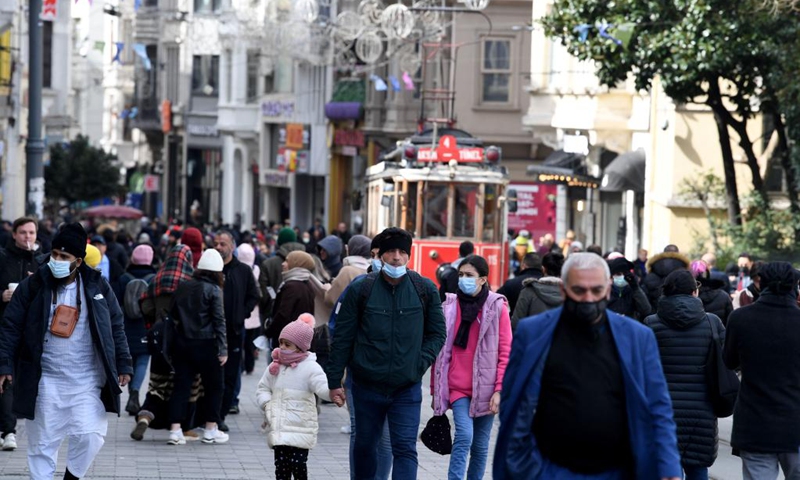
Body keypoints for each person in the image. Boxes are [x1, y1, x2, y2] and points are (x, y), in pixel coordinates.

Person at [493, 252, 681, 480]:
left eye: (597, 290)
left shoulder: (638, 338)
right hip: (548, 470)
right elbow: (513, 401)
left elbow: (658, 405)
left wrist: (669, 464)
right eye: (579, 290)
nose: (589, 298)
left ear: (608, 290)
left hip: (619, 471)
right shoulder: (532, 332)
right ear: (564, 290)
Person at [0, 222, 133, 480]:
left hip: (86, 380)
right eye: (54, 255)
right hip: (45, 379)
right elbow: (11, 326)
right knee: (42, 446)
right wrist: (4, 364)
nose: (57, 260)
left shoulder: (98, 287)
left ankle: (72, 476)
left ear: (79, 261)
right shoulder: (34, 285)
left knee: (92, 435)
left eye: (65, 257)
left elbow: (115, 325)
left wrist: (124, 362)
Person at [326, 227, 446, 479]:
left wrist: (419, 363)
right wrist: (334, 381)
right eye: (391, 251)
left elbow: (437, 334)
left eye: (402, 252)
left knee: (404, 448)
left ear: (408, 256)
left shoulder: (424, 289)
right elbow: (342, 337)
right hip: (366, 386)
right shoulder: (362, 289)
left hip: (406, 388)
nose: (396, 257)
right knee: (365, 447)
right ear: (380, 255)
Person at [431, 255, 511, 480]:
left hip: (486, 388)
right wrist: (436, 390)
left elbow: (506, 351)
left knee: (480, 445)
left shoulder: (497, 306)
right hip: (458, 387)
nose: (463, 279)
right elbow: (440, 353)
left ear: (483, 279)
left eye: (470, 275)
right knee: (465, 436)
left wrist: (499, 389)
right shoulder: (449, 306)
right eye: (461, 275)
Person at [644, 270, 724, 480]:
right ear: (694, 291)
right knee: (698, 469)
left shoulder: (651, 323)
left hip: (663, 410)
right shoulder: (712, 322)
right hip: (701, 410)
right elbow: (725, 361)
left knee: (665, 470)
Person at [723, 262, 800, 480]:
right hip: (795, 423)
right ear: (795, 286)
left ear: (760, 284)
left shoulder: (741, 319)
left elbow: (729, 361)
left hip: (755, 420)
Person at [130, 245, 197, 442]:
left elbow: (146, 305)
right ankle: (182, 428)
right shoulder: (189, 282)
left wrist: (156, 321)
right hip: (182, 341)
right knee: (183, 385)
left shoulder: (157, 279)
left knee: (156, 385)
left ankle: (144, 418)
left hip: (160, 340)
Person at [256, 314, 333, 480]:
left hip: (301, 426)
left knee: (298, 466)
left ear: (300, 346)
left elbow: (321, 386)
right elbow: (263, 387)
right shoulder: (275, 365)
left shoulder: (311, 367)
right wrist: (267, 404)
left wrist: (333, 393)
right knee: (281, 468)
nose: (282, 347)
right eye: (281, 343)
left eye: (287, 344)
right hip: (279, 425)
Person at [166, 249, 229, 446]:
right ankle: (210, 428)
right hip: (207, 344)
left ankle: (175, 430)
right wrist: (223, 349)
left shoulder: (183, 286)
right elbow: (219, 321)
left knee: (181, 386)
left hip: (183, 343)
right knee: (214, 387)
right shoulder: (214, 290)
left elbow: (173, 313)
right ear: (218, 272)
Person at [0, 217, 42, 451]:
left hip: (29, 328)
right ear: (14, 234)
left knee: (16, 377)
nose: (28, 237)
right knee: (6, 376)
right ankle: (8, 430)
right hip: (4, 324)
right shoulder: (3, 257)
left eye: (32, 233)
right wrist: (2, 296)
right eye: (23, 232)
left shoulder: (41, 260)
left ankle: (8, 428)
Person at [214, 231, 260, 430]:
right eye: (215, 243)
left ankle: (221, 415)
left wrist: (243, 313)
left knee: (231, 375)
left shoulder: (242, 270)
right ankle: (209, 414)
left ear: (232, 247)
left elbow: (253, 295)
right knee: (212, 376)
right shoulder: (209, 269)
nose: (218, 247)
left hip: (234, 330)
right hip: (211, 332)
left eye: (222, 243)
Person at [117, 244, 157, 416]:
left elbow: (116, 302)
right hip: (145, 326)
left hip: (126, 326)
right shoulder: (154, 278)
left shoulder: (124, 278)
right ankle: (135, 392)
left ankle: (130, 394)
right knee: (143, 360)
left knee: (130, 359)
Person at [266, 251, 317, 343]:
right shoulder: (306, 283)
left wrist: (268, 332)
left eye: (287, 261)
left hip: (289, 341)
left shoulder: (292, 286)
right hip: (299, 340)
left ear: (296, 264)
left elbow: (283, 314)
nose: (283, 264)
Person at [259, 227, 307, 323]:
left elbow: (263, 294)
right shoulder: (307, 261)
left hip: (274, 317)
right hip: (303, 318)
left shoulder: (268, 264)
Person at [511, 252, 565, 331]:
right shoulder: (571, 294)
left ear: (543, 269)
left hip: (533, 341)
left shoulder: (529, 291)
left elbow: (516, 323)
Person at [236, 243, 262, 376]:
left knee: (239, 342)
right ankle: (250, 366)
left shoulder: (238, 270)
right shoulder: (257, 269)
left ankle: (240, 366)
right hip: (254, 313)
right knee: (250, 343)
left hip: (240, 311)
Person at [642, 248, 691, 313]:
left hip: (654, 316)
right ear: (677, 253)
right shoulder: (685, 273)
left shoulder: (652, 270)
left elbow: (644, 298)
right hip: (679, 315)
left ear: (664, 253)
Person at [692, 260, 733, 325]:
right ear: (708, 274)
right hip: (718, 334)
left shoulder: (688, 297)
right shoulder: (723, 296)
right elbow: (730, 322)